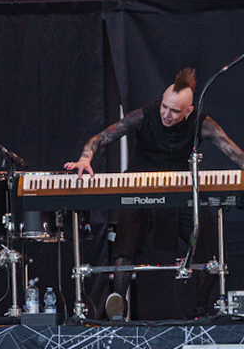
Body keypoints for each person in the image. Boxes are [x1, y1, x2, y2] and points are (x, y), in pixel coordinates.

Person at [65, 67, 244, 318]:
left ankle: (201, 310)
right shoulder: (144, 115)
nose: (167, 114)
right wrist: (85, 158)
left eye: (175, 111)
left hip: (182, 194)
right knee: (123, 248)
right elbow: (102, 138)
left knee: (210, 248)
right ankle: (119, 310)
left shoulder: (202, 124)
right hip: (139, 189)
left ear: (189, 112)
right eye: (164, 107)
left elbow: (235, 153)